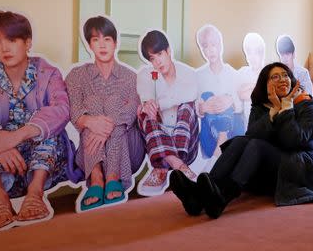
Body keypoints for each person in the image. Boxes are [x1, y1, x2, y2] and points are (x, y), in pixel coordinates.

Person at [0, 10, 74, 234]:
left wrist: (16, 136)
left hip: (41, 164)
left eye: (11, 40)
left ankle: (34, 196)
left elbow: (61, 109)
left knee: (48, 130)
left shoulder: (48, 73)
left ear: (27, 42)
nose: (4, 48)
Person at [168, 62, 313, 218]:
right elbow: (252, 134)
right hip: (268, 172)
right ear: (266, 84)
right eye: (275, 77)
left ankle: (221, 198)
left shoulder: (305, 103)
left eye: (286, 75)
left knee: (256, 145)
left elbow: (294, 141)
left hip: (298, 169)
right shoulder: (260, 106)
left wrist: (286, 108)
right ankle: (200, 196)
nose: (282, 79)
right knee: (240, 141)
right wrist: (273, 111)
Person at [66, 16, 144, 211]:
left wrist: (103, 126)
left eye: (107, 39)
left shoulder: (130, 77)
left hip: (128, 150)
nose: (102, 45)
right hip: (90, 152)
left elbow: (130, 112)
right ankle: (97, 176)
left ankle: (113, 176)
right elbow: (74, 111)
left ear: (115, 43)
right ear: (89, 45)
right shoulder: (76, 76)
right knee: (92, 104)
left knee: (111, 102)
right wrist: (91, 122)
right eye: (95, 39)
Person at [136, 30, 199, 194]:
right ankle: (178, 165)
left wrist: (159, 102)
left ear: (168, 51)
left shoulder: (188, 73)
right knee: (144, 112)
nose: (157, 61)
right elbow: (147, 100)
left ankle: (162, 167)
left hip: (185, 144)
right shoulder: (146, 75)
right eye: (152, 58)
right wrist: (148, 105)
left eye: (159, 54)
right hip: (157, 140)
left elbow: (190, 94)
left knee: (187, 105)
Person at [195, 25, 244, 160]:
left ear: (220, 45)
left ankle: (222, 140)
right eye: (205, 46)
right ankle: (219, 145)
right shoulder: (198, 75)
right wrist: (202, 107)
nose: (210, 50)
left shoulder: (233, 74)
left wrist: (231, 101)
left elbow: (241, 106)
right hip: (209, 135)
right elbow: (193, 106)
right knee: (207, 95)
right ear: (201, 49)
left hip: (232, 133)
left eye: (214, 44)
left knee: (227, 98)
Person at [236, 32, 266, 128]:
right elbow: (240, 94)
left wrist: (249, 88)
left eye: (256, 52)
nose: (252, 57)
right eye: (249, 52)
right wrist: (257, 88)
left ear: (262, 54)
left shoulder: (270, 73)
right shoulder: (242, 72)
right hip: (248, 127)